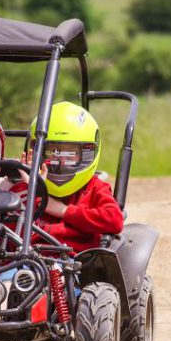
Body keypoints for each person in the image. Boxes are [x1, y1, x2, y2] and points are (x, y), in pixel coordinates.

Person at [25, 101, 123, 253]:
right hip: (31, 259)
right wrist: (31, 189)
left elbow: (114, 221)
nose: (61, 160)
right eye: (54, 152)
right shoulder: (30, 186)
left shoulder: (95, 187)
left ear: (86, 154)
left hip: (77, 263)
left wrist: (64, 211)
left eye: (70, 153)